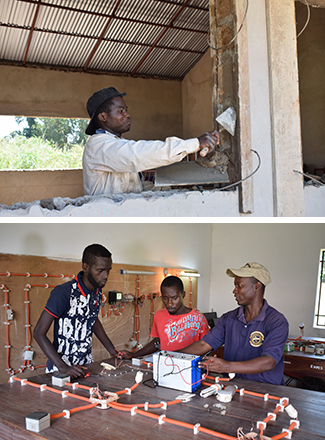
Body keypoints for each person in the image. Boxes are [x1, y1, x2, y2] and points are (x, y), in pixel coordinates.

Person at [83, 87, 219, 195]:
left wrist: (170, 188)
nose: (127, 114)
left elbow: (134, 187)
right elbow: (137, 155)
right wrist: (194, 144)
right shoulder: (98, 146)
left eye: (126, 110)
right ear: (103, 117)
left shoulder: (116, 143)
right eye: (120, 111)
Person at [179, 262, 289, 385]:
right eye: (235, 285)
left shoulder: (276, 321)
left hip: (266, 390)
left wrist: (226, 366)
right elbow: (204, 345)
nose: (234, 291)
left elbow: (269, 362)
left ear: (257, 287)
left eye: (239, 286)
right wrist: (169, 356)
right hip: (231, 386)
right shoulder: (228, 318)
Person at [34, 244, 118, 378]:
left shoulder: (96, 291)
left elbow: (92, 319)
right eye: (100, 270)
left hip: (85, 367)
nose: (105, 275)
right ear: (86, 267)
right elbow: (39, 332)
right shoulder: (63, 293)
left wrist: (113, 351)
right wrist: (63, 367)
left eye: (108, 270)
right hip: (60, 370)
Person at [119, 275, 209, 359]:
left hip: (190, 368)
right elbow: (157, 342)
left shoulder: (199, 319)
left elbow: (206, 347)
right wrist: (133, 354)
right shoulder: (159, 315)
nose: (170, 303)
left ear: (183, 295)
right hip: (165, 365)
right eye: (165, 298)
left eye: (174, 298)